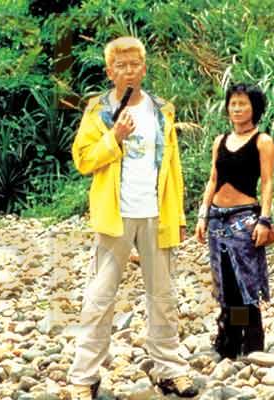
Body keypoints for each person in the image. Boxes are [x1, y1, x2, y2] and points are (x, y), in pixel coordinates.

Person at [68, 36, 198, 400]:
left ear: (144, 68)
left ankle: (170, 370)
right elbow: (83, 160)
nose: (128, 71)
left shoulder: (162, 110)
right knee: (99, 298)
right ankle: (83, 378)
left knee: (164, 297)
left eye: (134, 64)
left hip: (157, 214)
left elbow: (173, 166)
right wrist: (115, 137)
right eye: (120, 66)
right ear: (109, 72)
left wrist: (179, 215)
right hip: (116, 217)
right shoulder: (97, 110)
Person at [194, 83, 274, 360]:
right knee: (226, 281)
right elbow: (213, 179)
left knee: (246, 281)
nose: (237, 109)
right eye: (233, 103)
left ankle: (251, 343)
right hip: (217, 218)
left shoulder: (262, 141)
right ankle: (229, 339)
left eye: (243, 103)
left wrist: (265, 220)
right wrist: (203, 214)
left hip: (245, 219)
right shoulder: (220, 141)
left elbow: (267, 182)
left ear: (254, 108)